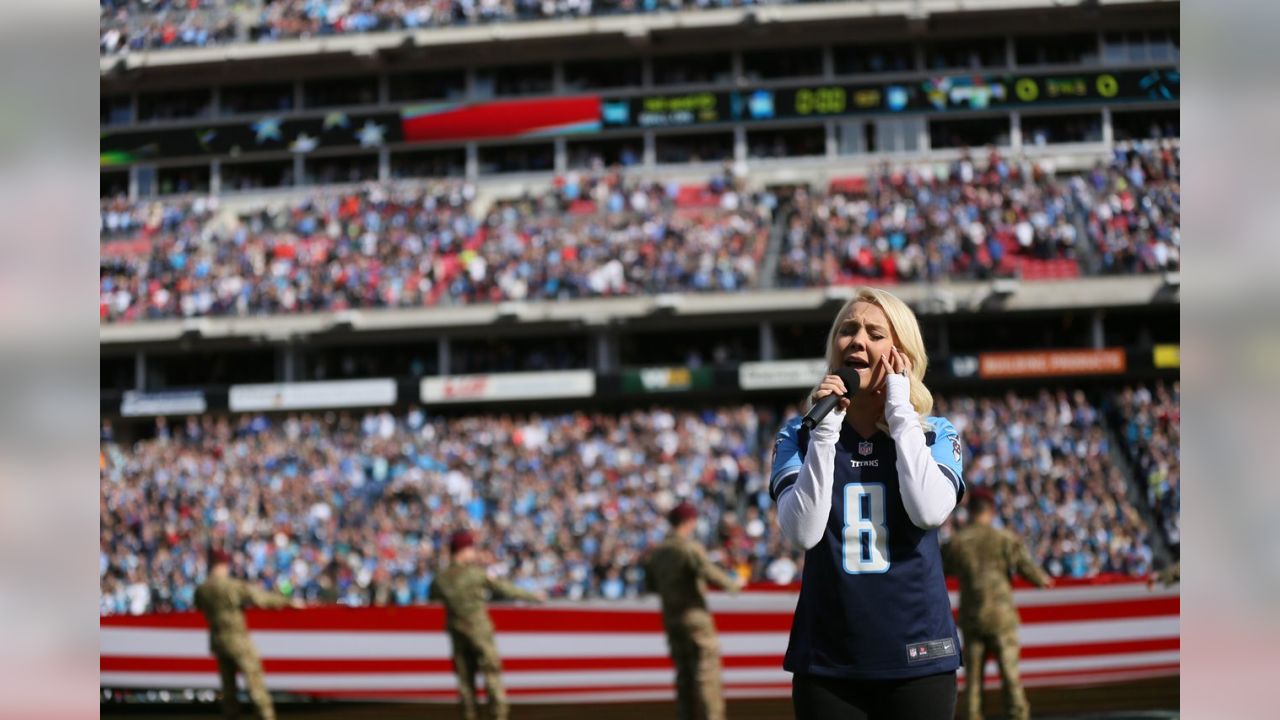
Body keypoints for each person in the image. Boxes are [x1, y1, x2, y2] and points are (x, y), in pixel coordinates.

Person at [770, 287, 966, 720]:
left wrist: (900, 410)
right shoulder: (800, 434)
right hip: (829, 659)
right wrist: (825, 431)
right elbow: (803, 531)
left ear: (902, 355)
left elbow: (929, 511)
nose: (857, 340)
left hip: (919, 656)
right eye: (847, 330)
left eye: (875, 333)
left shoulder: (934, 432)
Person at [942, 487, 1053, 720]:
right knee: (1011, 680)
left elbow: (942, 569)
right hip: (1002, 619)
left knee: (973, 686)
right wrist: (1043, 581)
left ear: (970, 511)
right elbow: (1027, 568)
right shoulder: (1004, 539)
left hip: (973, 620)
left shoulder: (958, 543)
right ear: (991, 511)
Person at [429, 529, 546, 720]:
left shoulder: (440, 579)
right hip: (480, 633)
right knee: (492, 676)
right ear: (463, 550)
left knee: (466, 683)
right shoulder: (475, 574)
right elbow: (505, 589)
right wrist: (534, 596)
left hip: (457, 633)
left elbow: (432, 599)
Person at [643, 501, 743, 720]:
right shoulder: (687, 548)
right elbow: (708, 572)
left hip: (672, 620)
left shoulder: (657, 553)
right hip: (695, 619)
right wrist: (735, 585)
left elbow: (650, 586)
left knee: (684, 679)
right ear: (689, 522)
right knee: (707, 677)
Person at [193, 548, 304, 720]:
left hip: (219, 642)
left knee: (228, 688)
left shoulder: (202, 590)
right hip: (239, 642)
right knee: (255, 685)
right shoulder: (233, 586)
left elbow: (198, 606)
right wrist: (288, 602)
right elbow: (261, 599)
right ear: (223, 565)